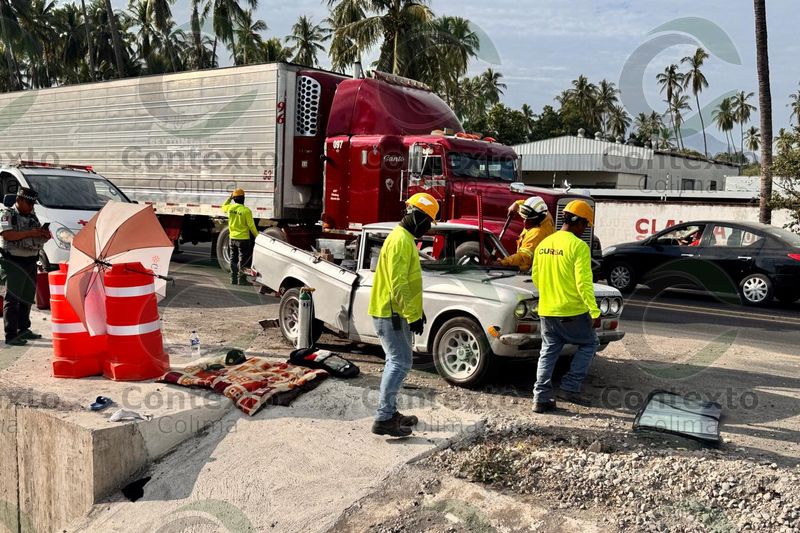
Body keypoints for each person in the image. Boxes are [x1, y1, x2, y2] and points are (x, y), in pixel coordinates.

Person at [368, 192, 439, 437]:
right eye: (428, 221)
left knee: (394, 361)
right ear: (416, 216)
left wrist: (416, 312)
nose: (428, 227)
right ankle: (384, 417)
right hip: (393, 313)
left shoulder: (403, 238)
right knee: (401, 362)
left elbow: (405, 283)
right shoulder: (400, 241)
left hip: (395, 311)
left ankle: (389, 412)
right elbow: (398, 284)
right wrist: (411, 314)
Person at [530, 199, 600, 413]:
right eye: (585, 225)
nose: (585, 230)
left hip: (547, 310)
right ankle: (570, 386)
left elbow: (535, 277)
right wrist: (594, 311)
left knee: (549, 350)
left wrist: (552, 292)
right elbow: (583, 283)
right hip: (571, 311)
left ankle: (540, 398)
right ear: (578, 222)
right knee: (590, 343)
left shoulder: (544, 244)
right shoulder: (578, 246)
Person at [0, 188, 51, 346]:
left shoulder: (32, 217)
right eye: (28, 203)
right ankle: (11, 334)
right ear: (19, 200)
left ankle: (24, 329)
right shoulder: (7, 214)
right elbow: (7, 235)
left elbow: (37, 236)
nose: (31, 207)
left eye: (32, 203)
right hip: (14, 261)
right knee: (13, 298)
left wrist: (44, 235)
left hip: (30, 260)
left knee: (27, 297)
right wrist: (31, 233)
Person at [498, 196, 555, 271]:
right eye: (524, 218)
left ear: (538, 218)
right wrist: (517, 204)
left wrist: (504, 262)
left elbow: (523, 258)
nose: (525, 221)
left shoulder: (537, 233)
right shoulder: (544, 214)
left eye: (529, 220)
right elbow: (530, 204)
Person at [222, 188, 259, 285]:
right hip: (243, 239)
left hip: (232, 238)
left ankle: (233, 279)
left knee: (233, 259)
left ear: (234, 199)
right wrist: (257, 237)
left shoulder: (230, 208)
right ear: (243, 198)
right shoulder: (246, 211)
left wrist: (229, 198)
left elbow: (223, 206)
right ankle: (241, 280)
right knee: (243, 260)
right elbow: (251, 226)